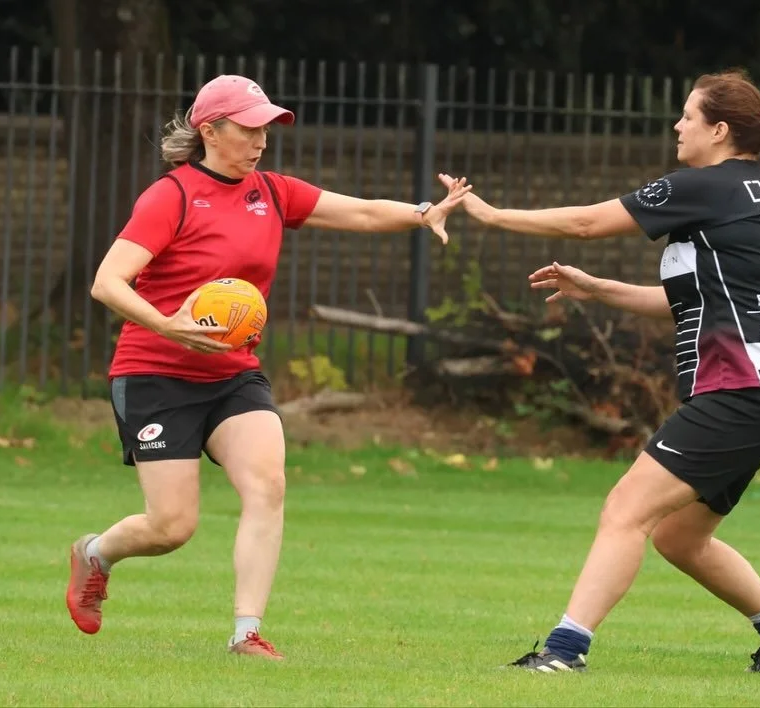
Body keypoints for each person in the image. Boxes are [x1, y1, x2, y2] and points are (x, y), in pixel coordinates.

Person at [65, 74, 471, 659]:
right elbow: (108, 282)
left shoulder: (272, 191)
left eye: (266, 128)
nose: (261, 139)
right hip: (155, 373)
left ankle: (245, 633)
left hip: (232, 374)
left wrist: (421, 211)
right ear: (210, 130)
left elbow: (354, 213)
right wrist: (168, 324)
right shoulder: (171, 196)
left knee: (268, 485)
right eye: (249, 127)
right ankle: (95, 553)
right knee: (172, 527)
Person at [440, 69, 760, 674]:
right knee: (677, 536)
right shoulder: (758, 193)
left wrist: (492, 215)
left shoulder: (712, 186)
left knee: (625, 511)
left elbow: (588, 222)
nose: (677, 125)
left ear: (719, 131)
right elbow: (688, 299)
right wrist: (596, 289)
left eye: (688, 116)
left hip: (740, 388)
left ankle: (564, 652)